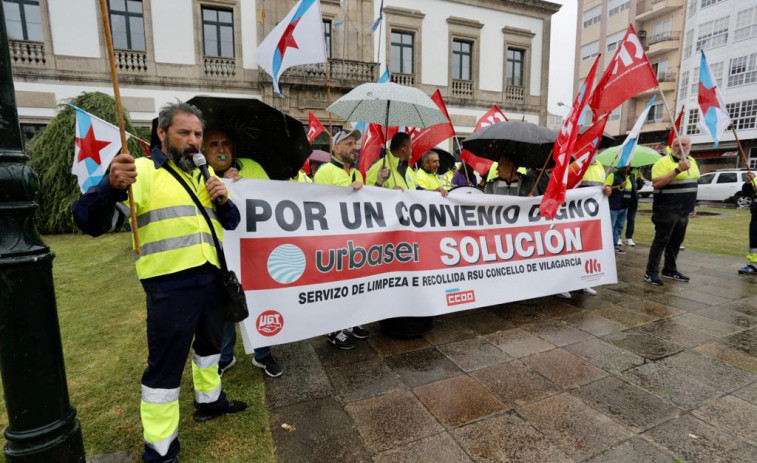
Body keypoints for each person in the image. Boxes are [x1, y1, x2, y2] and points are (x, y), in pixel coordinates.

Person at [72, 102, 247, 463]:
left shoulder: (201, 174)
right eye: (185, 133)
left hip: (212, 278)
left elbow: (230, 223)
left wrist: (223, 200)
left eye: (198, 134)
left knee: (210, 349)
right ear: (162, 134)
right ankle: (162, 446)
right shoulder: (141, 171)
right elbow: (89, 221)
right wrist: (109, 186)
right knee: (165, 368)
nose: (194, 141)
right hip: (170, 287)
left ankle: (210, 401)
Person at [202, 128, 282, 378]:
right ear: (204, 150)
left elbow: (273, 198)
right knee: (223, 302)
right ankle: (226, 356)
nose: (221, 149)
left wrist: (243, 185)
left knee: (258, 300)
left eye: (225, 144)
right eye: (213, 144)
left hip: (253, 249)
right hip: (218, 251)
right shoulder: (197, 174)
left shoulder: (251, 166)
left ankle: (263, 354)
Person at [313, 129, 369, 349]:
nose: (353, 147)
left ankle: (351, 322)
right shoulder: (325, 171)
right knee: (335, 287)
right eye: (347, 143)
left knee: (354, 284)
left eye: (354, 143)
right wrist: (346, 191)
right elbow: (317, 203)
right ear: (335, 148)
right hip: (332, 240)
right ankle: (333, 330)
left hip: (355, 240)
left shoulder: (358, 173)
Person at [644, 136, 700, 286]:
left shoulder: (692, 161)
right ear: (672, 146)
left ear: (690, 147)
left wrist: (693, 204)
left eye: (684, 145)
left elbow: (692, 183)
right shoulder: (663, 162)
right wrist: (677, 170)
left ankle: (670, 269)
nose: (680, 148)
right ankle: (651, 272)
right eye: (676, 145)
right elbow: (657, 184)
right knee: (661, 240)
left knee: (676, 242)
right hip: (666, 209)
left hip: (684, 209)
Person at [556, 157, 611, 299]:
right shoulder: (575, 163)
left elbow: (601, 188)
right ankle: (563, 284)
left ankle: (581, 282)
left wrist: (606, 191)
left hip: (589, 216)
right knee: (567, 248)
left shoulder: (599, 165)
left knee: (583, 250)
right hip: (571, 213)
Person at [605, 165, 631, 254]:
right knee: (610, 227)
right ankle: (606, 247)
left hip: (624, 206)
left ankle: (615, 246)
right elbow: (606, 188)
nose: (625, 169)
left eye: (627, 167)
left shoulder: (630, 176)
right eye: (624, 167)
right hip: (613, 206)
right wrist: (619, 186)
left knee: (619, 227)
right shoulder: (613, 175)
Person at [739, 170, 757, 275]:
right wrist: (749, 181)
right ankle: (753, 265)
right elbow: (746, 193)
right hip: (756, 215)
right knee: (754, 239)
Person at [622, 168, 645, 247]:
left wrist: (639, 179)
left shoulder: (637, 172)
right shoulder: (622, 171)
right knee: (620, 219)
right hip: (622, 199)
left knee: (631, 219)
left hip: (633, 200)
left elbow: (639, 187)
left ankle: (629, 237)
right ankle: (617, 237)